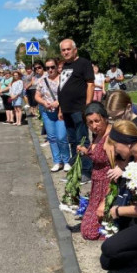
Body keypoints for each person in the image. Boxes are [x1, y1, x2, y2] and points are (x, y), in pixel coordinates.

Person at [101, 120, 137, 272]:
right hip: (133, 221)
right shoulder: (130, 160)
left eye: (116, 146)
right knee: (106, 261)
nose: (115, 151)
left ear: (126, 143)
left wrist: (118, 211)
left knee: (109, 249)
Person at [58, 39, 95, 183]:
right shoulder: (66, 66)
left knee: (83, 140)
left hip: (79, 109)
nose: (66, 52)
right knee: (72, 141)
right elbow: (62, 87)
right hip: (67, 110)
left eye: (68, 49)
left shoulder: (84, 63)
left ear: (75, 50)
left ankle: (86, 171)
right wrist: (61, 108)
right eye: (63, 50)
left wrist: (87, 106)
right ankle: (75, 171)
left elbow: (90, 84)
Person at [77, 102, 113, 240]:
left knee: (90, 232)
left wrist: (105, 202)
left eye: (97, 121)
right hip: (96, 185)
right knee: (86, 231)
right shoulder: (97, 134)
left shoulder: (109, 138)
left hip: (106, 185)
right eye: (90, 123)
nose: (94, 126)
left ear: (105, 118)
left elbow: (114, 169)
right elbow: (98, 156)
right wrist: (86, 152)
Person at [35, 58, 71, 172]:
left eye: (52, 67)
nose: (50, 70)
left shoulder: (63, 79)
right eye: (47, 68)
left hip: (61, 112)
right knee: (52, 138)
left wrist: (59, 102)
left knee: (61, 137)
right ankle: (57, 161)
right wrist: (44, 102)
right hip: (47, 113)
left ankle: (66, 161)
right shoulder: (42, 81)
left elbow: (69, 95)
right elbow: (37, 96)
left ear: (57, 67)